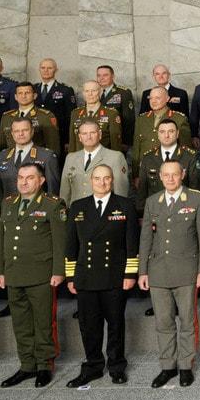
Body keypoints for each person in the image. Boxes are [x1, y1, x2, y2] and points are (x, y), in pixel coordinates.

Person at [139, 159, 200, 388]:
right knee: (163, 322)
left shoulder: (196, 199)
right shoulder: (152, 202)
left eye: (174, 174)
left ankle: (185, 366)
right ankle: (167, 366)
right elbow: (146, 240)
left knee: (188, 321)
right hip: (158, 271)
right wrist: (143, 272)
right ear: (160, 177)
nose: (170, 179)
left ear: (182, 175)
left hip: (186, 271)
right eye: (166, 175)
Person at [64, 164, 139, 387]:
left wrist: (130, 273)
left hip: (114, 276)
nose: (102, 183)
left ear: (112, 180)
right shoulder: (78, 207)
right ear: (90, 180)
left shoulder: (124, 205)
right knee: (89, 325)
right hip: (86, 276)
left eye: (107, 179)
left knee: (115, 324)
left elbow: (131, 244)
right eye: (98, 179)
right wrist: (70, 277)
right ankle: (93, 366)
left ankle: (116, 366)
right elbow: (70, 245)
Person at [0, 162, 66, 388]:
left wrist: (58, 272)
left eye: (30, 178)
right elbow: (0, 240)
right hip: (14, 274)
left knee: (44, 322)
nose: (24, 182)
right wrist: (0, 271)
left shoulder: (53, 205)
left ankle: (44, 365)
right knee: (21, 323)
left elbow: (59, 242)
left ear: (41, 180)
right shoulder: (8, 204)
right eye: (21, 178)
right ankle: (27, 364)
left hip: (41, 274)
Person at [60, 119, 130, 203]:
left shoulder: (115, 157)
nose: (88, 137)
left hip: (104, 212)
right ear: (79, 137)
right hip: (76, 213)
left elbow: (121, 193)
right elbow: (65, 192)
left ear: (100, 135)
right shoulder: (70, 158)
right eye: (84, 133)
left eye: (92, 133)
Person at [137, 118, 200, 208]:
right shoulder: (148, 158)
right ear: (158, 135)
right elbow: (142, 191)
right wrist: (141, 214)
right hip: (155, 211)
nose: (166, 135)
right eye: (162, 132)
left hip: (182, 210)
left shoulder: (190, 157)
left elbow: (195, 190)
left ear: (177, 134)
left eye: (171, 131)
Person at [0, 116, 61, 199]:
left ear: (32, 131)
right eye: (16, 131)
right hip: (9, 209)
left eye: (25, 130)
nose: (21, 134)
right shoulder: (1, 156)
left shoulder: (47, 156)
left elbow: (53, 191)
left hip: (37, 210)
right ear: (12, 133)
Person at [131, 86, 192, 165]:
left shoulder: (179, 119)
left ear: (167, 99)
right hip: (145, 169)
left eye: (157, 98)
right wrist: (136, 174)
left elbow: (185, 150)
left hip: (169, 170)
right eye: (151, 98)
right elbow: (136, 149)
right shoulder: (141, 119)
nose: (153, 101)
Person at [0, 81, 62, 151]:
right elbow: (2, 145)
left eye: (27, 93)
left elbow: (53, 146)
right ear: (16, 97)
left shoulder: (45, 116)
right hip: (12, 160)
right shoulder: (6, 117)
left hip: (37, 160)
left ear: (34, 96)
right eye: (20, 93)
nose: (23, 96)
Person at [70, 79, 123, 152]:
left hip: (103, 161)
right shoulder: (75, 113)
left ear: (100, 92)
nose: (90, 94)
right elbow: (72, 142)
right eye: (87, 91)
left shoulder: (111, 114)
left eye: (94, 91)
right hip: (80, 160)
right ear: (83, 93)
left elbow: (115, 145)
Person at [33, 57, 76, 143]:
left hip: (57, 136)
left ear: (56, 70)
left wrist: (67, 140)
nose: (46, 70)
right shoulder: (33, 89)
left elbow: (70, 117)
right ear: (39, 70)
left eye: (49, 68)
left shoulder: (65, 90)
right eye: (43, 68)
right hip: (35, 135)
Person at [95, 65, 137, 151]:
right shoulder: (93, 92)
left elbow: (129, 119)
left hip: (115, 140)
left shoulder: (123, 93)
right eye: (99, 75)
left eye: (105, 75)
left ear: (113, 76)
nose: (101, 78)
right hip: (96, 140)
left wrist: (126, 142)